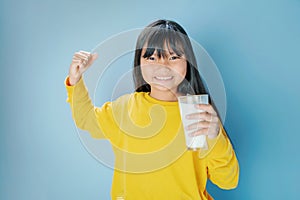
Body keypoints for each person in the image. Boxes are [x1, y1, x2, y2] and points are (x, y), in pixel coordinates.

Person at [65, 19, 239, 200]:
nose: (162, 66)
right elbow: (86, 119)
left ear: (188, 62)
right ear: (139, 62)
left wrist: (215, 136)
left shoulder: (199, 114)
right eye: (151, 57)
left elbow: (228, 181)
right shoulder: (125, 108)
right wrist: (75, 80)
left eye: (173, 57)